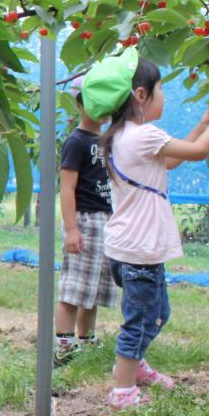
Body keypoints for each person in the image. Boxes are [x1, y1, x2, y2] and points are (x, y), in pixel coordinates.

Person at [80, 49, 209, 410]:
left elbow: (177, 157)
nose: (164, 97)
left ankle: (136, 367)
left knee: (157, 313)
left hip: (129, 247)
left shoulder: (122, 137)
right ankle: (122, 391)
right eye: (161, 89)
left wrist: (202, 122)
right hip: (140, 250)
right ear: (141, 96)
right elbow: (198, 153)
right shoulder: (143, 135)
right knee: (140, 320)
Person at [54, 76, 115, 366]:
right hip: (85, 221)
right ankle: (63, 347)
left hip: (105, 220)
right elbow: (66, 188)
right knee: (74, 288)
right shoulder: (76, 142)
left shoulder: (106, 140)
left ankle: (86, 340)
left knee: (92, 288)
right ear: (80, 105)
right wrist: (71, 229)